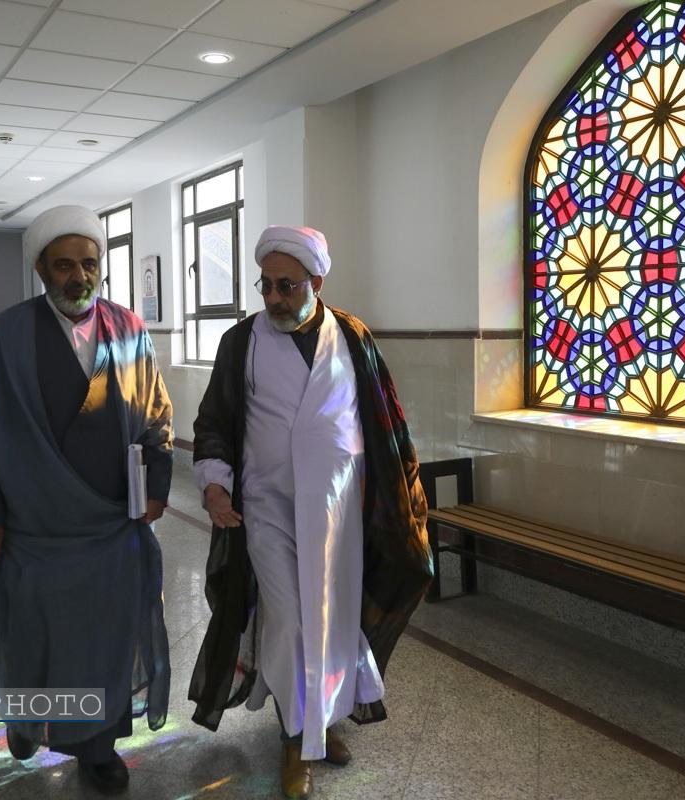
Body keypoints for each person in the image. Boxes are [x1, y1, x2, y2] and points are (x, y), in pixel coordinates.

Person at [189, 225, 432, 800]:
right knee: (291, 619)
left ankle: (320, 723)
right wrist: (215, 484)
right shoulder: (241, 341)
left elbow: (385, 418)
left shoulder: (352, 335)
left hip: (339, 510)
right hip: (266, 506)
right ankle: (296, 739)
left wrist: (400, 495)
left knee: (334, 619)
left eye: (287, 286)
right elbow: (215, 419)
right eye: (266, 285)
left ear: (316, 283)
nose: (273, 297)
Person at [0, 205, 173, 795]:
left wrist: (156, 487)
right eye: (63, 265)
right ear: (41, 269)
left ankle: (97, 748)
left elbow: (156, 412)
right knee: (33, 636)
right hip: (34, 525)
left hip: (111, 525)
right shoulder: (6, 336)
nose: (79, 276)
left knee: (104, 641)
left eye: (88, 263)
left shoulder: (129, 329)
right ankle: (28, 717)